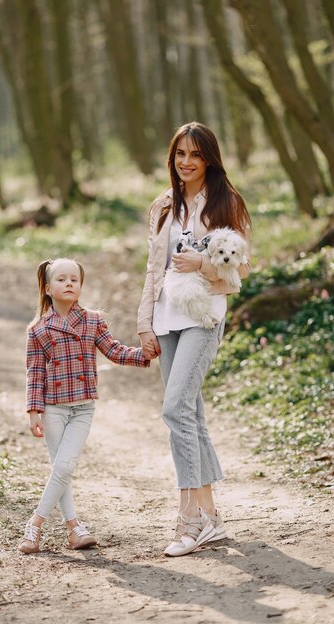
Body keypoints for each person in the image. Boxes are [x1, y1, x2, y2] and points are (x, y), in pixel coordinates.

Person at [138, 122, 251, 557]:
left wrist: (202, 264)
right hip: (166, 317)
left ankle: (190, 519)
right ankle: (211, 517)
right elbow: (153, 269)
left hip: (204, 316)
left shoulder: (227, 203)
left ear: (210, 159)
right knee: (191, 413)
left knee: (175, 408)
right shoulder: (162, 206)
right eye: (180, 154)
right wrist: (144, 322)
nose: (186, 162)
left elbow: (239, 271)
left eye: (195, 155)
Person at [19, 257, 154, 554]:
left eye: (74, 279)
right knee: (62, 469)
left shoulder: (93, 320)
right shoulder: (39, 329)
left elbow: (114, 350)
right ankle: (74, 529)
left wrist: (145, 355)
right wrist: (34, 412)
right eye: (61, 279)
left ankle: (35, 524)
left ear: (80, 286)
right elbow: (35, 372)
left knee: (63, 466)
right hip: (54, 408)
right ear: (47, 288)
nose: (69, 283)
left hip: (83, 407)